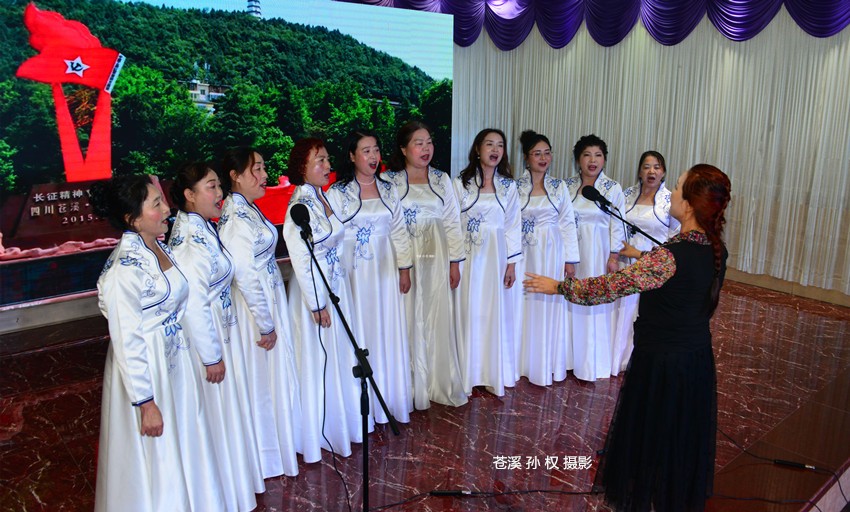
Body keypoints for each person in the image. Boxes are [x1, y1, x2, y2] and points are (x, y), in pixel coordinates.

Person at [524, 164, 731, 512]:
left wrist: (558, 286)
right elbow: (673, 271)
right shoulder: (715, 249)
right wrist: (640, 255)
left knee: (652, 435)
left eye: (678, 187)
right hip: (695, 360)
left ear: (690, 204)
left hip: (662, 364)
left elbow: (610, 287)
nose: (672, 193)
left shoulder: (669, 258)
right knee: (678, 437)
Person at [92, 175, 223, 512]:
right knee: (157, 453)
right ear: (132, 219)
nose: (167, 209)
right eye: (156, 204)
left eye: (163, 201)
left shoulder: (158, 247)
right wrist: (145, 403)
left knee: (186, 437)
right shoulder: (123, 270)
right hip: (147, 370)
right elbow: (127, 340)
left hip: (174, 361)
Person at [168, 162, 264, 511]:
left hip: (220, 330)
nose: (220, 193)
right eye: (211, 187)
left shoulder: (201, 228)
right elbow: (193, 303)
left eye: (219, 186)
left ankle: (232, 485)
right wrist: (211, 357)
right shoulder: (189, 241)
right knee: (214, 417)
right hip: (206, 340)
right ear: (189, 195)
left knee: (225, 415)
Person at [217, 148, 301, 478]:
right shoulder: (236, 218)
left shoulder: (247, 208)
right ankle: (265, 456)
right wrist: (265, 324)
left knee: (272, 376)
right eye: (257, 169)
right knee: (262, 379)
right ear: (235, 176)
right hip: (255, 307)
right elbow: (244, 274)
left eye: (264, 168)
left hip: (268, 296)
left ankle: (280, 443)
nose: (265, 175)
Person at [282, 137, 363, 464]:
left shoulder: (322, 196)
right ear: (302, 167)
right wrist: (317, 303)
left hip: (336, 284)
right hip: (315, 294)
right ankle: (322, 429)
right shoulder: (299, 206)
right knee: (320, 360)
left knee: (341, 354)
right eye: (320, 161)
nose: (328, 166)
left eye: (328, 159)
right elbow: (301, 257)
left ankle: (345, 421)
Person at [326, 130, 413, 424]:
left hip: (386, 270)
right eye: (366, 151)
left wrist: (404, 268)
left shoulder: (389, 189)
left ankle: (389, 398)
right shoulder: (337, 192)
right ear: (352, 156)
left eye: (376, 149)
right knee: (361, 329)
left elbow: (399, 230)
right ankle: (361, 409)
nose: (373, 156)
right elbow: (331, 238)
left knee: (387, 329)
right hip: (354, 273)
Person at [384, 121, 467, 409]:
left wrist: (455, 263)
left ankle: (437, 381)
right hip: (403, 262)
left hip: (436, 260)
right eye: (418, 143)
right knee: (407, 316)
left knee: (435, 315)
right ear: (403, 149)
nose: (425, 148)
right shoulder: (389, 182)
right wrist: (400, 265)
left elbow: (453, 223)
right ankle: (408, 386)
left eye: (429, 142)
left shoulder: (442, 179)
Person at [453, 128, 522, 396]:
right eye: (489, 144)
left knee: (493, 312)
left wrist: (511, 263)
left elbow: (512, 225)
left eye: (500, 145)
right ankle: (468, 374)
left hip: (496, 258)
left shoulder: (508, 186)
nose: (495, 150)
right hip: (469, 259)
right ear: (477, 149)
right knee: (469, 311)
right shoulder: (460, 183)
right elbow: (452, 224)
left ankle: (491, 373)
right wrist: (454, 262)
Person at [515, 130, 580, 386]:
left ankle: (546, 362)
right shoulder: (514, 187)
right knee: (524, 302)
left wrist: (570, 259)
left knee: (548, 301)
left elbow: (567, 223)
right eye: (537, 153)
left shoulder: (558, 186)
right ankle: (521, 362)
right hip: (525, 253)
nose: (543, 158)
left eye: (547, 153)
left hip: (552, 252)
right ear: (526, 157)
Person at [611, 151, 680, 374]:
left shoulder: (670, 201)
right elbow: (614, 226)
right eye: (647, 167)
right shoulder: (626, 195)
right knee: (620, 309)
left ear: (664, 172)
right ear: (640, 172)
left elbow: (676, 236)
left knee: (642, 313)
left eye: (657, 167)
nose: (652, 171)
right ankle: (614, 356)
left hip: (652, 265)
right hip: (625, 263)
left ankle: (636, 359)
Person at [564, 134, 626, 381]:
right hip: (573, 255)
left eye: (598, 155)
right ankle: (569, 358)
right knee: (571, 300)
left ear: (604, 160)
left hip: (599, 255)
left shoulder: (612, 188)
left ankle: (592, 362)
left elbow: (618, 225)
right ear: (578, 160)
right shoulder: (566, 186)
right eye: (587, 155)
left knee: (594, 301)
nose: (592, 160)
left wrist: (613, 256)